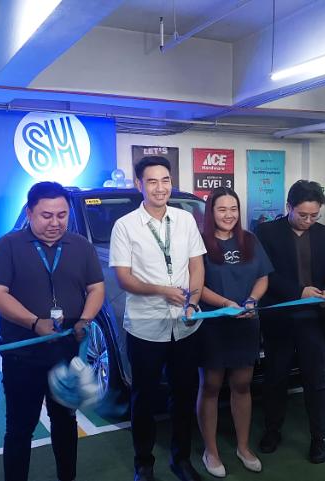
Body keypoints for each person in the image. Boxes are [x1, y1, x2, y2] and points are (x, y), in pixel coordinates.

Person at [0, 181, 105, 481]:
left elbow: (96, 288)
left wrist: (85, 319)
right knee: (19, 427)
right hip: (22, 354)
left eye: (61, 215)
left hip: (65, 354)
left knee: (65, 422)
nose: (55, 223)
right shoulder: (8, 246)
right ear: (30, 212)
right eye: (46, 215)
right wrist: (33, 322)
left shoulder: (80, 246)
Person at [109, 156, 206, 481]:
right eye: (152, 181)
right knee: (144, 399)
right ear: (140, 185)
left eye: (165, 180)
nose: (160, 187)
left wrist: (192, 300)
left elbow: (196, 266)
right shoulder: (125, 226)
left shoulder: (185, 220)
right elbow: (124, 278)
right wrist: (163, 291)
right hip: (145, 326)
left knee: (183, 395)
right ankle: (144, 464)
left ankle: (181, 460)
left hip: (185, 325)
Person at [255, 180, 325, 464]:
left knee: (315, 381)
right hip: (279, 319)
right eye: (302, 214)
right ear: (289, 207)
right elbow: (266, 275)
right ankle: (272, 431)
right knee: (276, 378)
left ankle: (319, 438)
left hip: (313, 320)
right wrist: (298, 291)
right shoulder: (267, 232)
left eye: (314, 215)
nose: (308, 221)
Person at [195, 187, 272, 478]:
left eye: (233, 209)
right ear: (211, 213)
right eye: (221, 209)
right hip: (214, 325)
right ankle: (211, 451)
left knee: (242, 384)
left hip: (246, 323)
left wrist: (252, 300)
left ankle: (243, 446)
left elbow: (262, 277)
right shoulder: (199, 243)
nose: (228, 215)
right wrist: (227, 304)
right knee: (211, 385)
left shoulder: (250, 240)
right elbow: (197, 287)